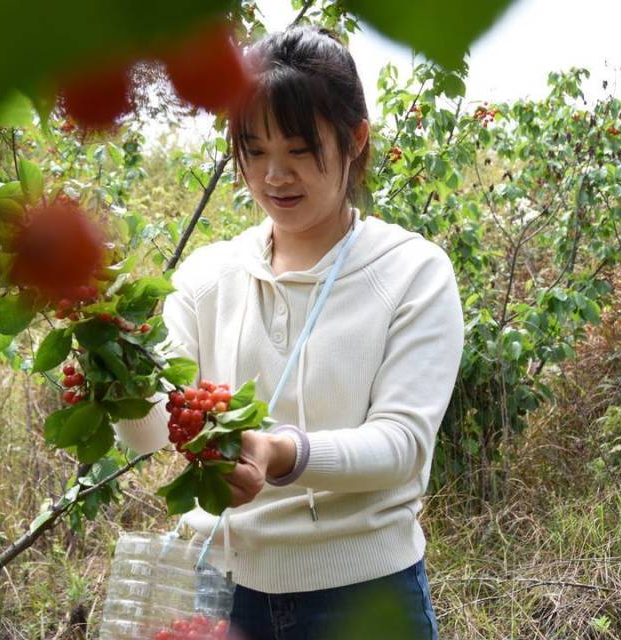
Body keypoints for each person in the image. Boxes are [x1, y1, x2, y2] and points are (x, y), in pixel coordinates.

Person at [115, 25, 463, 640]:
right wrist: (110, 366)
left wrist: (283, 453)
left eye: (299, 149)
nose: (275, 176)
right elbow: (147, 435)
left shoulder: (412, 272)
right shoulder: (206, 277)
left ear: (356, 138)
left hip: (364, 599)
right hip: (221, 588)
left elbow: (402, 444)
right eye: (254, 151)